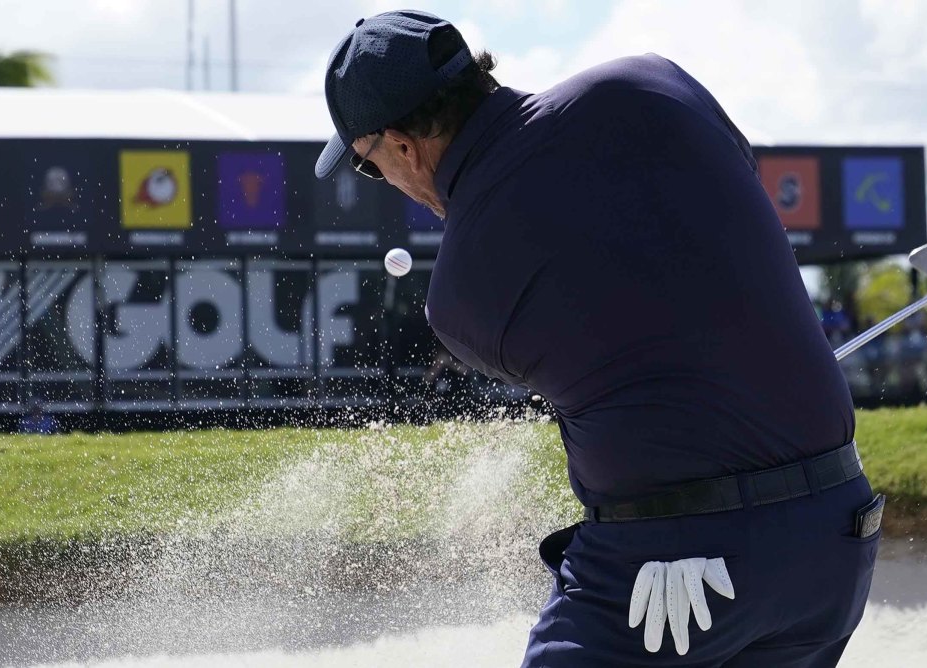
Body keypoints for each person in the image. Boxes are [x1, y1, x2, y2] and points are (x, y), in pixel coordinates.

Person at [315, 10, 882, 667]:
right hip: (838, 543)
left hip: (674, 571)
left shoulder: (462, 295)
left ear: (403, 147)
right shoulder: (652, 82)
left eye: (370, 166)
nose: (390, 183)